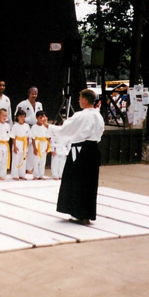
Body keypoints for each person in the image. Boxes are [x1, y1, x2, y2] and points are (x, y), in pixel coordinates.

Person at [50, 89, 105, 225]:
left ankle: (79, 212)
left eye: (80, 98)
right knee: (90, 183)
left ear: (85, 100)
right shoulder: (99, 116)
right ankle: (86, 213)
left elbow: (64, 130)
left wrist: (48, 126)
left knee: (75, 180)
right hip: (93, 149)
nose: (79, 101)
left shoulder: (81, 115)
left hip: (79, 149)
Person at [15, 87, 43, 173]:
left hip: (35, 127)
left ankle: (29, 167)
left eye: (36, 92)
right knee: (25, 147)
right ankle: (22, 167)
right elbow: (17, 116)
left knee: (32, 148)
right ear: (28, 93)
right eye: (32, 92)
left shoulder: (39, 104)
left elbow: (41, 115)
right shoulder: (22, 104)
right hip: (26, 126)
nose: (34, 94)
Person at [30, 110, 50, 180]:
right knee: (36, 161)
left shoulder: (46, 127)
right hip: (37, 144)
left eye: (43, 117)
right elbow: (33, 138)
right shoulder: (34, 127)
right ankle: (35, 175)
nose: (42, 119)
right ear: (37, 118)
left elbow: (48, 137)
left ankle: (41, 174)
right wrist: (34, 148)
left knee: (43, 161)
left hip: (44, 144)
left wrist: (48, 146)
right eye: (40, 117)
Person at [10, 109, 29, 181]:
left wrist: (27, 146)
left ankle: (22, 174)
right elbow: (13, 137)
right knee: (16, 159)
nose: (22, 118)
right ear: (17, 117)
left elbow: (27, 137)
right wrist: (14, 146)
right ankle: (15, 174)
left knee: (23, 159)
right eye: (21, 116)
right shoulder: (15, 126)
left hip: (24, 144)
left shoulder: (26, 126)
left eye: (24, 117)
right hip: (17, 143)